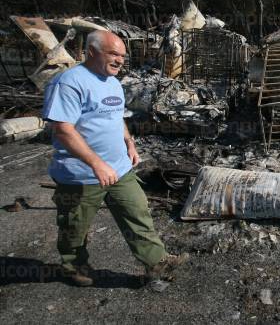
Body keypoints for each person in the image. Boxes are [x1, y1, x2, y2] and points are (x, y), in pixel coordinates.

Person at [42, 30, 187, 287]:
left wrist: (129, 143)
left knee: (137, 212)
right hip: (81, 174)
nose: (120, 60)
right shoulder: (69, 82)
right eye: (113, 54)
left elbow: (116, 117)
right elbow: (63, 130)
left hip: (119, 168)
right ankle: (73, 266)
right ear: (92, 51)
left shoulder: (112, 82)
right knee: (74, 226)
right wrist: (97, 164)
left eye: (122, 55)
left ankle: (157, 263)